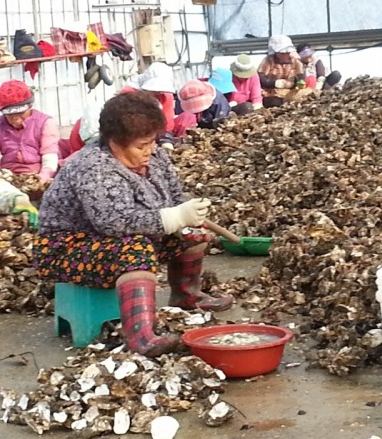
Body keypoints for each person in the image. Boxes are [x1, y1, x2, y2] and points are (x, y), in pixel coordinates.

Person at [33, 92, 233, 357]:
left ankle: (187, 295)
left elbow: (174, 197)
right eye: (141, 146)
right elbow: (113, 223)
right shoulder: (93, 166)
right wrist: (172, 217)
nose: (149, 150)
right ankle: (141, 336)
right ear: (115, 142)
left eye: (152, 142)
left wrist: (187, 213)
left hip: (120, 238)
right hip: (68, 247)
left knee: (192, 232)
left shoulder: (155, 157)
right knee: (135, 249)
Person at [0, 80, 59, 181]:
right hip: (7, 174)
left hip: (37, 174)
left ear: (30, 107)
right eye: (10, 115)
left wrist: (41, 178)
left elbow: (50, 157)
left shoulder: (45, 123)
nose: (16, 119)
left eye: (21, 113)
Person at [123, 62, 176, 149]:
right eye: (154, 90)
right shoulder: (128, 95)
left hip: (155, 134)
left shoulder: (166, 95)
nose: (157, 92)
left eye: (159, 91)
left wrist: (166, 140)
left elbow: (167, 121)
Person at [258, 35, 305, 108]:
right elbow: (260, 78)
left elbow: (300, 77)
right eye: (282, 53)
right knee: (274, 102)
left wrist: (299, 83)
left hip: (291, 93)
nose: (285, 55)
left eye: (287, 52)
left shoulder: (296, 62)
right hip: (271, 94)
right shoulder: (268, 60)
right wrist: (274, 83)